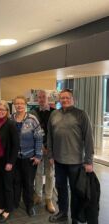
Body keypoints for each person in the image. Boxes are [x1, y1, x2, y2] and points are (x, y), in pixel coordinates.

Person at [48, 89, 94, 224]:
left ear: (73, 99)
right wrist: (50, 155)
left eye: (67, 98)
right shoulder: (54, 114)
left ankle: (75, 217)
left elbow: (89, 139)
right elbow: (50, 136)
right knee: (61, 188)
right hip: (58, 160)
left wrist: (89, 161)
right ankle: (62, 212)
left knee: (76, 190)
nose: (65, 100)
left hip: (76, 161)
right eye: (62, 98)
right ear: (59, 100)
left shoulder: (81, 115)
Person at [11, 96, 43, 217]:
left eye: (21, 103)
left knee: (28, 183)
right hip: (15, 158)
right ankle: (15, 203)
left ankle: (29, 206)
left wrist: (38, 155)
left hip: (29, 157)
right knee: (16, 182)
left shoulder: (32, 119)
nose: (19, 106)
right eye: (17, 103)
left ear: (25, 105)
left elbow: (39, 137)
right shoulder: (11, 118)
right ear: (14, 105)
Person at [30, 90, 56, 213]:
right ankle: (38, 195)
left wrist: (48, 146)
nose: (41, 99)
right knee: (38, 173)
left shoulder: (54, 113)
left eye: (43, 97)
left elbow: (55, 132)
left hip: (51, 148)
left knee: (50, 174)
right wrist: (40, 146)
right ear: (37, 99)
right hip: (38, 147)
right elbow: (33, 130)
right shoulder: (33, 113)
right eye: (39, 97)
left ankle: (49, 198)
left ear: (48, 98)